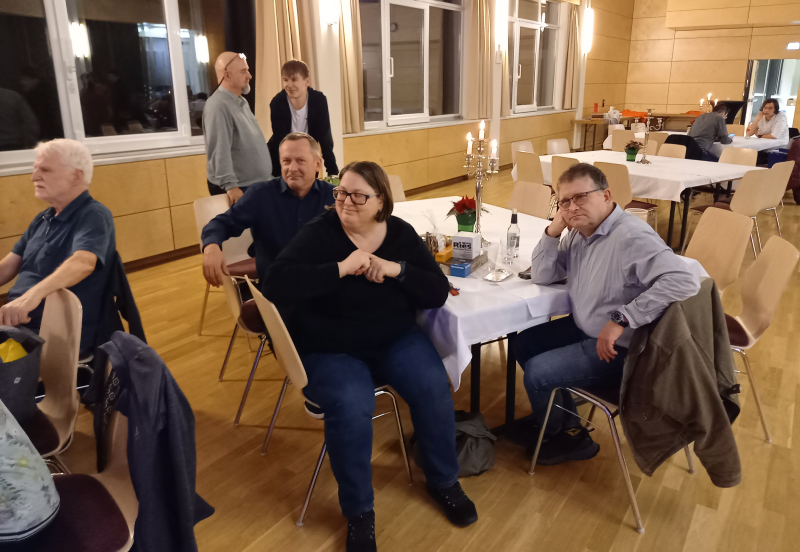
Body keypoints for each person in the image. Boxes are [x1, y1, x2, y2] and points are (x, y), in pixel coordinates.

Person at [263, 161, 477, 552]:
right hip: (329, 346)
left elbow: (436, 291)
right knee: (351, 403)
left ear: (381, 202)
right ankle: (359, 512)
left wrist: (398, 270)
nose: (346, 201)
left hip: (392, 338)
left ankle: (444, 481)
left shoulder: (400, 234)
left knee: (432, 385)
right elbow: (275, 283)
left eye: (358, 196)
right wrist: (339, 269)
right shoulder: (319, 233)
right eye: (341, 193)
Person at [513, 163, 701, 465]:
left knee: (538, 373)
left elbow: (683, 281)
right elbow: (543, 275)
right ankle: (563, 424)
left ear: (606, 195)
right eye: (565, 201)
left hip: (623, 347)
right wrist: (553, 231)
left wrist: (622, 319)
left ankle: (563, 438)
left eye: (581, 197)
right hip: (585, 328)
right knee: (523, 344)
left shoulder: (631, 236)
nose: (572, 207)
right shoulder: (579, 234)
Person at [0, 139, 116, 354]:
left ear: (76, 176)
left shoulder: (94, 215)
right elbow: (8, 265)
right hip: (16, 326)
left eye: (45, 170)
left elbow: (83, 263)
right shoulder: (43, 218)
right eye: (35, 169)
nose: (34, 177)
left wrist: (30, 297)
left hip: (51, 336)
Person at [201, 133, 335, 290]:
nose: (292, 168)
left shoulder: (335, 197)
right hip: (279, 289)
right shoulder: (260, 195)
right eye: (286, 161)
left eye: (300, 161)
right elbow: (221, 223)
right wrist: (211, 246)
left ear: (317, 164)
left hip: (325, 285)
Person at [203, 52, 271, 205]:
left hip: (253, 185)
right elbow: (219, 149)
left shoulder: (241, 102)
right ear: (227, 75)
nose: (249, 76)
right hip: (237, 189)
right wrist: (231, 186)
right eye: (243, 71)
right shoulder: (218, 105)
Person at [267, 60, 338, 178]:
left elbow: (325, 138)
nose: (289, 85)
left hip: (307, 155)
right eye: (285, 80)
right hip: (282, 157)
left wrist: (332, 172)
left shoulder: (318, 100)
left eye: (294, 79)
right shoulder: (277, 102)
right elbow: (280, 139)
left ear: (307, 81)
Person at [0, 87, 39, 151]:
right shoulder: (13, 96)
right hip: (16, 146)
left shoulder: (13, 96)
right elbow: (31, 123)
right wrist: (29, 145)